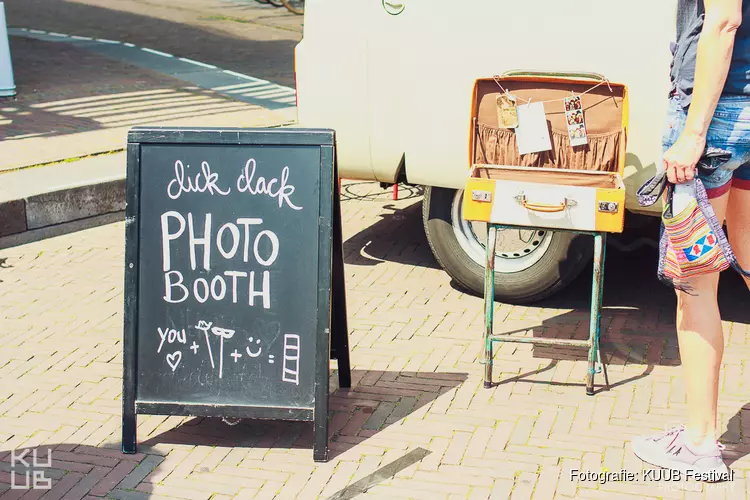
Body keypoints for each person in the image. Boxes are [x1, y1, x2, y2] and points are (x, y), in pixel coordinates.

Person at [631, 0, 750, 479]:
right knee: (746, 249)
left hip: (718, 115)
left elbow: (723, 21)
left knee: (694, 282)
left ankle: (700, 444)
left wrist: (693, 130)